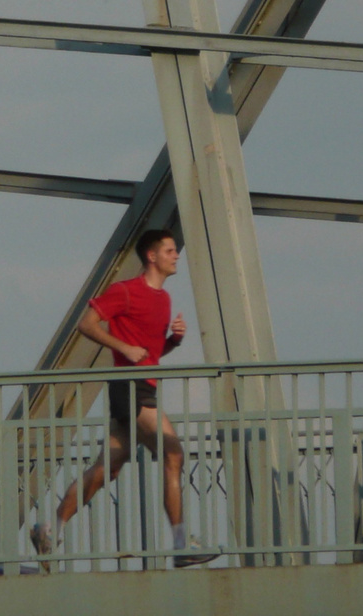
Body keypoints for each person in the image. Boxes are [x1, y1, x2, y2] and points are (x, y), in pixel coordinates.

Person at [31, 229, 215, 567]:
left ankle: (49, 527)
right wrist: (123, 347)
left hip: (142, 385)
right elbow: (86, 324)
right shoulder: (126, 292)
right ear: (152, 256)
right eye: (171, 251)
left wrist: (173, 341)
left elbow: (152, 351)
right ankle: (180, 544)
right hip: (129, 386)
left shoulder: (163, 299)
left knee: (107, 469)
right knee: (173, 455)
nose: (177, 256)